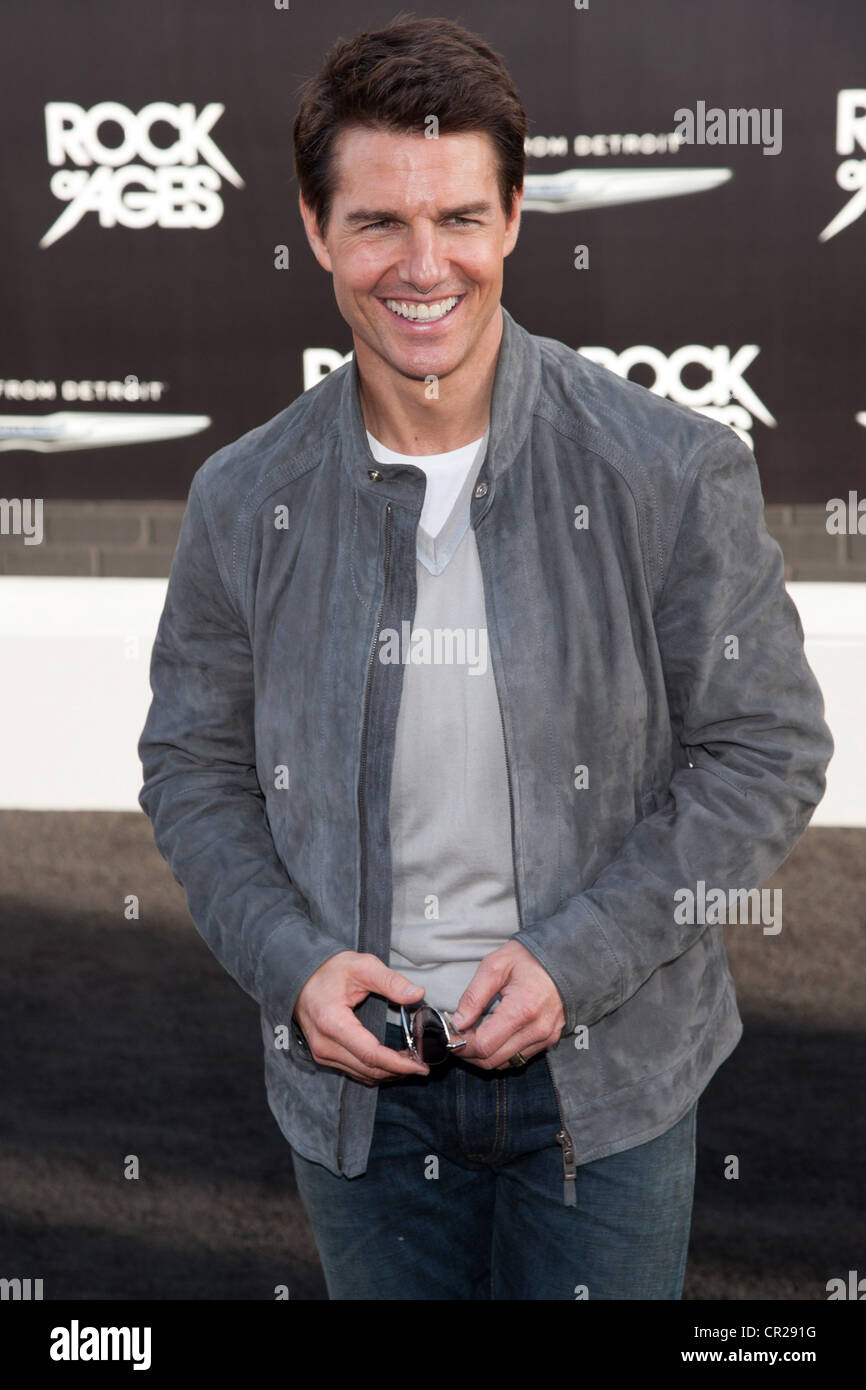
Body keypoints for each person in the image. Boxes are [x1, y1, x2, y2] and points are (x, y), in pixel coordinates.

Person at [138, 16, 833, 1300]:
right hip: (358, 1103)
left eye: (459, 218)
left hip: (607, 1086)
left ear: (513, 218)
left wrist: (578, 961)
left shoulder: (665, 470)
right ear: (313, 227)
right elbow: (191, 766)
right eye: (379, 223)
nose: (423, 265)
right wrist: (293, 970)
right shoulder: (244, 498)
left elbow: (765, 747)